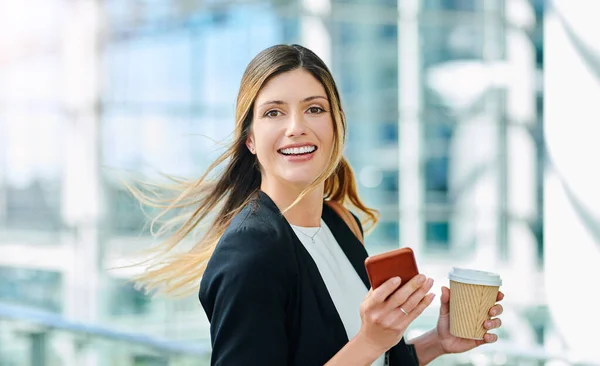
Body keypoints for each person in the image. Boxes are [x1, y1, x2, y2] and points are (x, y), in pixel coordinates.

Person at [132, 44, 504, 365]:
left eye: (314, 109)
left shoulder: (340, 222)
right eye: (274, 112)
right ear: (249, 139)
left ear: (337, 125)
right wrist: (370, 340)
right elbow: (364, 350)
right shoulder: (250, 253)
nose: (297, 127)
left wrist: (436, 343)